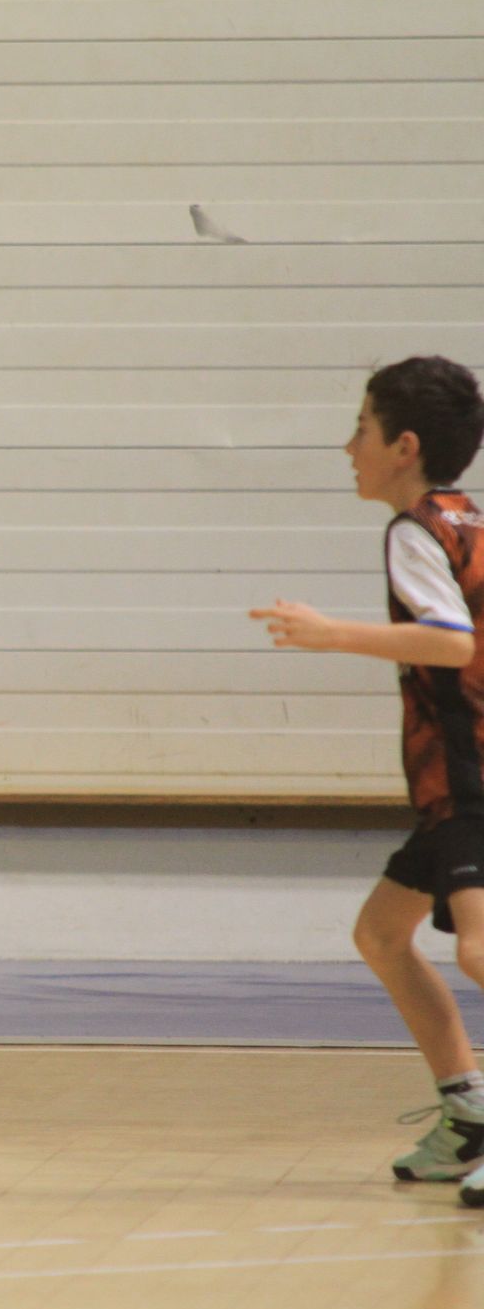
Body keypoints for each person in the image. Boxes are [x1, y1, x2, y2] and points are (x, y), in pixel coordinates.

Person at [251, 356, 484, 1208]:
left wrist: (331, 634)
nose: (349, 446)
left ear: (404, 446)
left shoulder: (416, 531)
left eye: (361, 428)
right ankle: (470, 1114)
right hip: (451, 780)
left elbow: (452, 642)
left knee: (478, 947)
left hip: (469, 775)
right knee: (383, 933)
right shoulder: (465, 517)